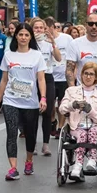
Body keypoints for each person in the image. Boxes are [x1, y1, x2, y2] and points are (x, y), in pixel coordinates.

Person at [0, 22, 48, 180]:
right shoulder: (8, 55)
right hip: (10, 100)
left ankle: (29, 160)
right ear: (16, 36)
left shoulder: (37, 55)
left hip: (30, 102)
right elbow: (4, 80)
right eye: (20, 34)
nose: (23, 37)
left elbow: (41, 79)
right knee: (11, 133)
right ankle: (13, 168)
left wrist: (43, 98)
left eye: (26, 35)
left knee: (30, 133)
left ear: (30, 37)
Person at [59, 61, 97, 180]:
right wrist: (73, 105)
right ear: (81, 75)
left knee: (92, 132)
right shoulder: (71, 91)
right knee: (82, 135)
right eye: (86, 73)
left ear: (96, 77)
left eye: (91, 74)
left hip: (95, 125)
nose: (88, 77)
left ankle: (93, 159)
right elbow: (61, 109)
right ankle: (78, 165)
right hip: (77, 125)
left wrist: (89, 110)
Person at [31, 17, 63, 156]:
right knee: (32, 113)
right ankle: (32, 144)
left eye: (41, 28)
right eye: (36, 28)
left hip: (47, 78)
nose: (39, 30)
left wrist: (53, 43)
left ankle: (45, 144)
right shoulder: (28, 42)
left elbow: (59, 58)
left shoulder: (48, 42)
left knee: (48, 111)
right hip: (32, 79)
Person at [48, 18, 72, 138]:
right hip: (50, 76)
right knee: (50, 105)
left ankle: (60, 128)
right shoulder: (43, 41)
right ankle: (53, 120)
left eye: (47, 29)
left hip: (63, 77)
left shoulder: (66, 38)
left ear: (53, 27)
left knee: (62, 104)